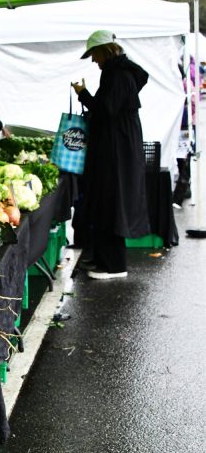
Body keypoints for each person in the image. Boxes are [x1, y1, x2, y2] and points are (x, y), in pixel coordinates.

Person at [72, 30, 150, 280]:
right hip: (116, 150)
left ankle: (114, 265)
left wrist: (83, 94)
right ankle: (104, 259)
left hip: (115, 154)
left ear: (105, 50)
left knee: (111, 204)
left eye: (94, 54)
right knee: (106, 204)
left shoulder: (118, 75)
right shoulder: (119, 73)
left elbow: (105, 110)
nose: (94, 61)